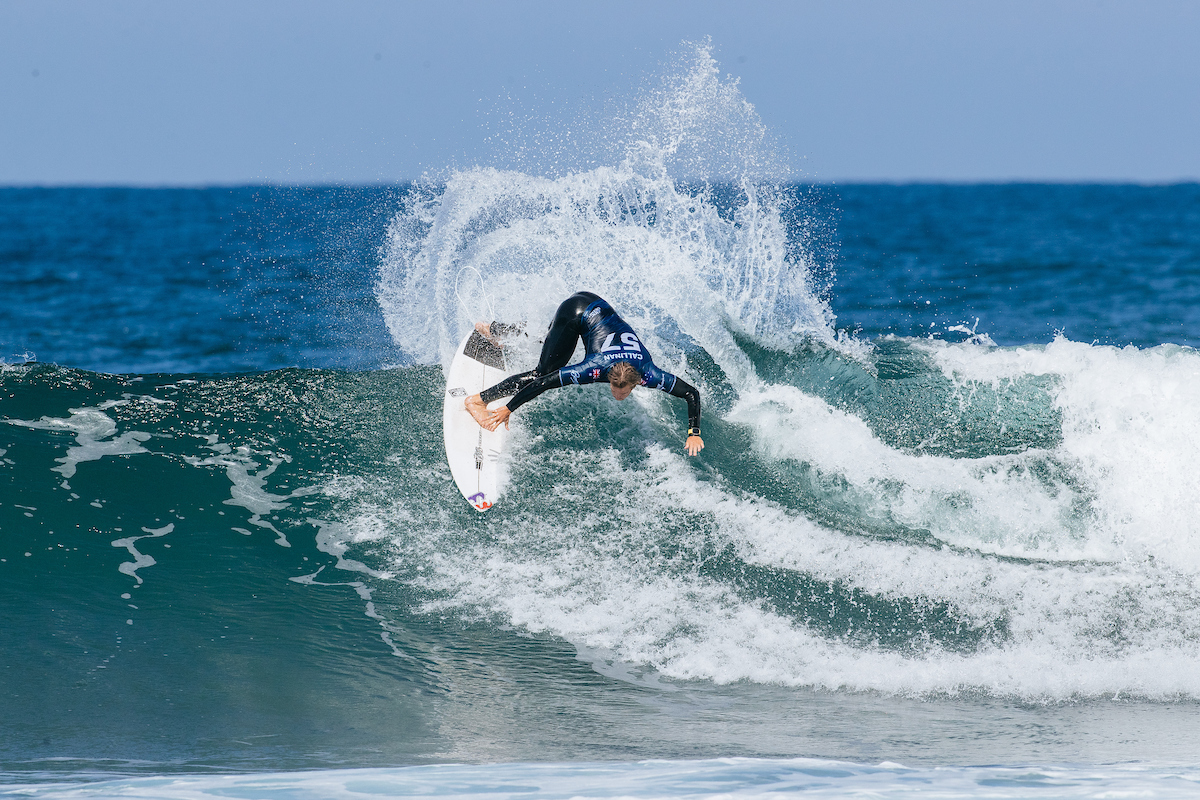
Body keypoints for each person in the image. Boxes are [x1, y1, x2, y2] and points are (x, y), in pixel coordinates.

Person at [465, 291, 704, 456]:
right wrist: (509, 408)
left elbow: (691, 393)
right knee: (544, 369)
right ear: (609, 377)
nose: (617, 395)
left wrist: (694, 432)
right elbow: (544, 382)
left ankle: (493, 330)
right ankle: (477, 400)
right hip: (576, 312)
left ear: (636, 384)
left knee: (549, 341)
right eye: (614, 389)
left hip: (595, 303)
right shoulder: (594, 367)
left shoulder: (650, 374)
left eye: (621, 392)